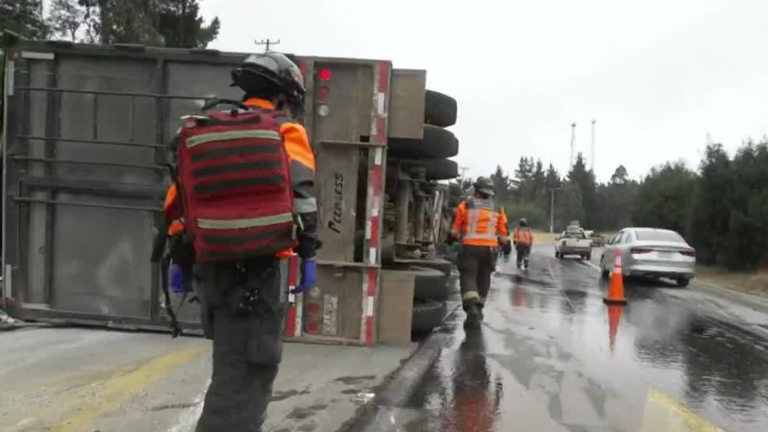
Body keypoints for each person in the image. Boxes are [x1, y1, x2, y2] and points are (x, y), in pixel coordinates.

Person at [159, 52, 318, 432]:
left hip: (209, 269)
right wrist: (308, 253)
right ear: (283, 97)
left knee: (229, 364)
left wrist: (182, 263)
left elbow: (174, 205)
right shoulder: (285, 130)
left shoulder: (199, 130)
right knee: (247, 375)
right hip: (256, 273)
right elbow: (304, 198)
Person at [447, 177, 510, 329]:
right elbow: (504, 233)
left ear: (476, 189)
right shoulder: (497, 208)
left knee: (468, 276)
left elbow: (454, 231)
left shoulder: (466, 205)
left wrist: (449, 240)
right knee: (484, 277)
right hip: (490, 250)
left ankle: (472, 308)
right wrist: (506, 246)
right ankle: (479, 306)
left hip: (470, 248)